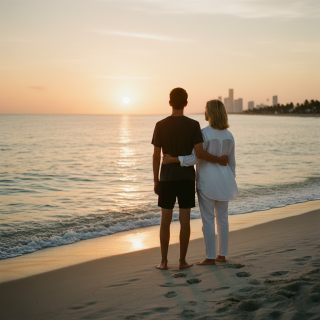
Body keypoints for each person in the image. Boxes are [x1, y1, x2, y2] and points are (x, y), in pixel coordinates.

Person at [152, 88, 229, 270]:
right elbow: (199, 153)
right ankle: (182, 261)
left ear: (169, 102)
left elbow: (156, 156)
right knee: (184, 220)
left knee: (165, 220)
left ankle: (163, 262)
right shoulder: (194, 125)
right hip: (186, 178)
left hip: (167, 178)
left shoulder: (160, 125)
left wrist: (156, 180)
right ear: (186, 103)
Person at [163, 100, 239, 265]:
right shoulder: (229, 135)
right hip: (225, 181)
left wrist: (173, 159)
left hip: (208, 181)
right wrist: (230, 179)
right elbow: (232, 163)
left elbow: (195, 158)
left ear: (209, 113)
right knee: (223, 218)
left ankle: (210, 257)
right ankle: (222, 255)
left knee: (208, 219)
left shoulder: (204, 133)